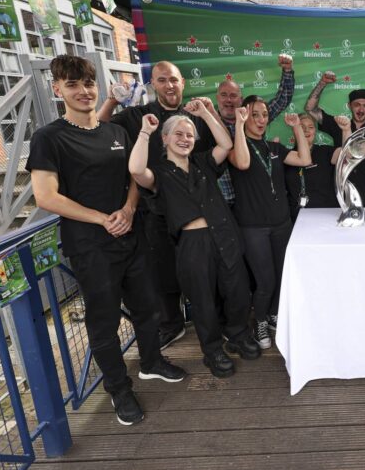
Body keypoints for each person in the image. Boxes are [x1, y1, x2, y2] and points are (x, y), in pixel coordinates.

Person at [27, 55, 186, 426]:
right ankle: (119, 388)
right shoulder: (48, 137)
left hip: (132, 235)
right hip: (89, 246)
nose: (83, 92)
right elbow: (46, 197)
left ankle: (151, 362)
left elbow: (133, 176)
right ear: (57, 89)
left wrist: (129, 210)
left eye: (88, 84)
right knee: (104, 323)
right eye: (72, 85)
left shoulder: (115, 132)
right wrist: (103, 219)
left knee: (148, 308)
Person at [129, 100, 261, 378]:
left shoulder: (202, 161)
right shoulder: (159, 172)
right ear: (164, 139)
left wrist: (204, 114)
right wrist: (144, 133)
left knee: (237, 290)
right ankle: (212, 350)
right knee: (203, 300)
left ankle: (236, 333)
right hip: (193, 244)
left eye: (189, 135)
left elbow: (225, 145)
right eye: (178, 133)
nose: (185, 139)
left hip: (225, 234)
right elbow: (136, 170)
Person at [98, 61, 207, 350]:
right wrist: (111, 99)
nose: (169, 85)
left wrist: (209, 112)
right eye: (162, 80)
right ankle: (172, 325)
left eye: (173, 79)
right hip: (155, 209)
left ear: (183, 82)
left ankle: (209, 320)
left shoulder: (196, 114)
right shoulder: (138, 115)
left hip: (194, 207)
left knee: (202, 267)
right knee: (162, 271)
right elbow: (99, 126)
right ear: (153, 85)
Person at [228, 95, 311, 349]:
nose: (261, 120)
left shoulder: (274, 149)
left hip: (281, 224)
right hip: (253, 228)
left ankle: (274, 314)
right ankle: (260, 320)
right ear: (244, 116)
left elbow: (305, 159)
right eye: (255, 114)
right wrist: (239, 126)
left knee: (281, 276)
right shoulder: (236, 149)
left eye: (264, 115)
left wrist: (296, 127)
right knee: (265, 281)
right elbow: (242, 163)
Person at [215, 54, 295, 207]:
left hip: (254, 201)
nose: (229, 100)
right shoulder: (208, 123)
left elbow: (282, 99)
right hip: (223, 202)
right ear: (217, 98)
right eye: (224, 95)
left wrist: (287, 71)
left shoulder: (254, 117)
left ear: (241, 100)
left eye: (233, 96)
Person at [304, 72, 365, 207]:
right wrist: (322, 83)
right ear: (349, 106)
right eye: (357, 105)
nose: (361, 109)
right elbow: (310, 108)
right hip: (339, 196)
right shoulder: (338, 124)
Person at [284, 113, 351, 220]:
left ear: (315, 131)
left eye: (310, 127)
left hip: (325, 215)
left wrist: (346, 130)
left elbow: (347, 156)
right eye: (302, 127)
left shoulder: (325, 151)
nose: (306, 130)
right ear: (295, 129)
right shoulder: (287, 156)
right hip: (298, 217)